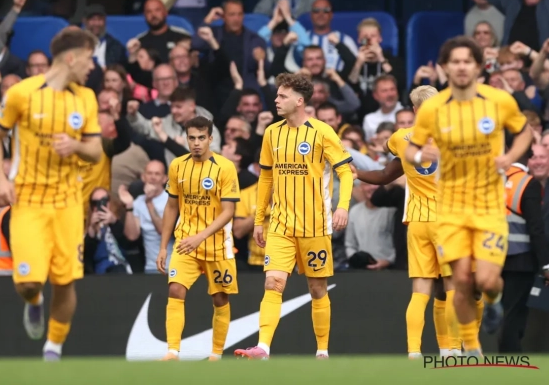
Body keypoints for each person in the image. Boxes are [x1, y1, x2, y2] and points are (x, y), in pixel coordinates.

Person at [404, 36, 533, 357]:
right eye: (455, 62)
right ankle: (471, 348)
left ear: (477, 66)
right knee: (460, 279)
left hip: (489, 207)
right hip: (450, 209)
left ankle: (493, 301)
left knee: (487, 281)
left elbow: (525, 132)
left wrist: (510, 156)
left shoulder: (498, 100)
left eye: (467, 61)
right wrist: (420, 155)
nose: (462, 67)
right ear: (445, 68)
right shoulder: (433, 108)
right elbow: (410, 148)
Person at [0, 28, 103, 361]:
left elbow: (96, 150)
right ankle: (35, 302)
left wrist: (76, 145)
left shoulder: (86, 97)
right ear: (72, 58)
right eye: (89, 58)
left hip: (68, 201)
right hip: (28, 200)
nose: (92, 66)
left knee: (65, 282)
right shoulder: (22, 93)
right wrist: (0, 180)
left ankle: (53, 348)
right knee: (28, 283)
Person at [234, 73, 354, 360]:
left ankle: (322, 351)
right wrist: (259, 219)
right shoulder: (272, 133)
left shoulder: (322, 132)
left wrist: (343, 206)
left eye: (282, 96)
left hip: (315, 225)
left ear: (299, 101)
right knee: (273, 283)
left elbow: (345, 172)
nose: (276, 100)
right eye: (277, 95)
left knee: (317, 288)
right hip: (281, 225)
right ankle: (263, 347)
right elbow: (266, 178)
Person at [353, 85, 468, 359]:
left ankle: (414, 351)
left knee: (420, 291)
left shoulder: (401, 137)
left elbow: (385, 170)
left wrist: (356, 173)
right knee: (452, 287)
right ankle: (452, 349)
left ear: (415, 110)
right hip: (448, 221)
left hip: (418, 222)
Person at [155, 116, 241, 361]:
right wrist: (163, 247)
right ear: (186, 138)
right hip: (185, 243)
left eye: (201, 138)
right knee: (175, 289)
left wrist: (201, 237)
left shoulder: (225, 167)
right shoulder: (177, 166)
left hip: (217, 245)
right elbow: (171, 207)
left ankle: (216, 354)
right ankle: (172, 351)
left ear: (210, 139)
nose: (196, 143)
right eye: (191, 138)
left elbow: (228, 211)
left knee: (220, 298)